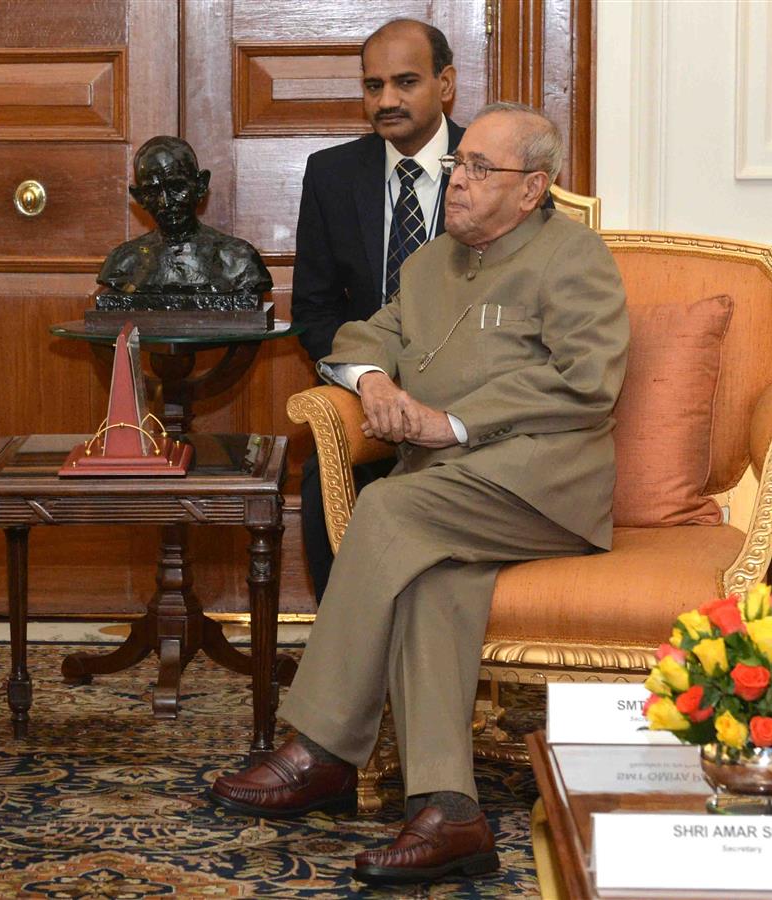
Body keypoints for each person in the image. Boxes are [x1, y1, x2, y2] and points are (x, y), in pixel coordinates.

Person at [211, 103, 628, 887]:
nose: (457, 182)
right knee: (436, 582)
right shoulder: (430, 263)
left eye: (479, 169)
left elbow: (588, 382)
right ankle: (451, 810)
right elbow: (368, 335)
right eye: (456, 165)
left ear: (533, 188)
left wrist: (455, 423)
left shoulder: (574, 259)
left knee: (385, 507)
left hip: (541, 488)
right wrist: (371, 379)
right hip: (450, 495)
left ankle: (323, 749)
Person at [293, 19, 550, 602]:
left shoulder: (503, 172)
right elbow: (312, 310)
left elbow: (526, 302)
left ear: (446, 83)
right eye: (373, 85)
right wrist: (372, 382)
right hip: (369, 399)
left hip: (473, 402)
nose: (386, 100)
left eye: (405, 82)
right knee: (322, 477)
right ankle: (354, 654)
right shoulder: (331, 176)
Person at [97, 135, 271, 303]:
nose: (165, 202)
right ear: (140, 197)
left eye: (177, 187)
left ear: (201, 185)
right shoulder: (123, 263)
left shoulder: (239, 261)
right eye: (152, 192)